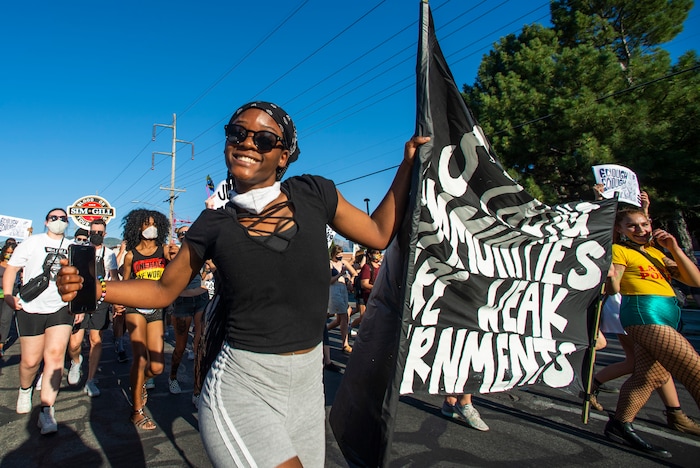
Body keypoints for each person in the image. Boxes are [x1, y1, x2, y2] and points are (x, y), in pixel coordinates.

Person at [58, 101, 428, 467]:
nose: (249, 142)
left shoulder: (315, 193)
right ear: (226, 143)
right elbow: (161, 291)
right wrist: (96, 289)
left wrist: (408, 163)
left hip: (307, 390)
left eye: (265, 138)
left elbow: (379, 234)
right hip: (241, 386)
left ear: (284, 156)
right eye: (238, 133)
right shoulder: (212, 224)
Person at [604, 207, 700, 457]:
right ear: (620, 229)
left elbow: (695, 281)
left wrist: (675, 249)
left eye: (644, 224)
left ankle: (619, 425)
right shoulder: (619, 250)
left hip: (669, 313)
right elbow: (614, 287)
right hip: (644, 313)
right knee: (694, 369)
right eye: (632, 226)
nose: (641, 230)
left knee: (650, 376)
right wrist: (610, 276)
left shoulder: (657, 253)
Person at [3, 208, 83, 435]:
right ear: (46, 222)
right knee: (30, 361)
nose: (58, 221)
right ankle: (25, 388)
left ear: (67, 223)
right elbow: (12, 269)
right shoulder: (32, 242)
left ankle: (47, 410)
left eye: (62, 219)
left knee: (56, 357)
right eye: (53, 218)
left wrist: (78, 306)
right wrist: (9, 295)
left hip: (60, 308)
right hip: (30, 307)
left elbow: (80, 278)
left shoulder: (72, 247)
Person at [120, 209, 174, 430]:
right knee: (139, 359)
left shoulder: (164, 251)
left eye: (154, 224)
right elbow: (124, 283)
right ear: (137, 228)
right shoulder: (131, 255)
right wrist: (118, 303)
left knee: (158, 367)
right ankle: (137, 411)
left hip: (156, 309)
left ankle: (139, 382)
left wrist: (173, 257)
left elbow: (174, 273)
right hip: (135, 307)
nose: (151, 228)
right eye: (146, 224)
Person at [66, 219, 120, 397]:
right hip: (80, 300)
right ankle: (76, 361)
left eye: (100, 232)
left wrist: (117, 301)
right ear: (89, 233)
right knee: (74, 343)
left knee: (96, 340)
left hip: (101, 300)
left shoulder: (109, 254)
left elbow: (113, 277)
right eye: (93, 232)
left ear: (104, 234)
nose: (96, 235)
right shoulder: (79, 250)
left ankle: (90, 379)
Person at [167, 225, 208, 395]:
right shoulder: (173, 253)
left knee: (199, 345)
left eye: (188, 232)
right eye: (182, 233)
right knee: (180, 347)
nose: (186, 235)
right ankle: (173, 377)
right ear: (178, 237)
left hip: (200, 299)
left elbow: (206, 271)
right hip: (181, 301)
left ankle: (197, 390)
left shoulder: (201, 251)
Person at [326, 245, 357, 354]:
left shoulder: (344, 263)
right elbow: (329, 280)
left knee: (340, 319)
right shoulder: (330, 264)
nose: (339, 258)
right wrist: (340, 274)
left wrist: (350, 280)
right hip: (334, 291)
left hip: (343, 290)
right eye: (338, 256)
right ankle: (345, 344)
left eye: (341, 256)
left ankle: (323, 331)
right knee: (344, 315)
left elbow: (354, 273)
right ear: (333, 255)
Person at [0, 243, 17, 357]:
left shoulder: (17, 266)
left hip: (10, 294)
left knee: (5, 320)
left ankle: (1, 345)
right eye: (7, 252)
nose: (8, 255)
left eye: (11, 253)